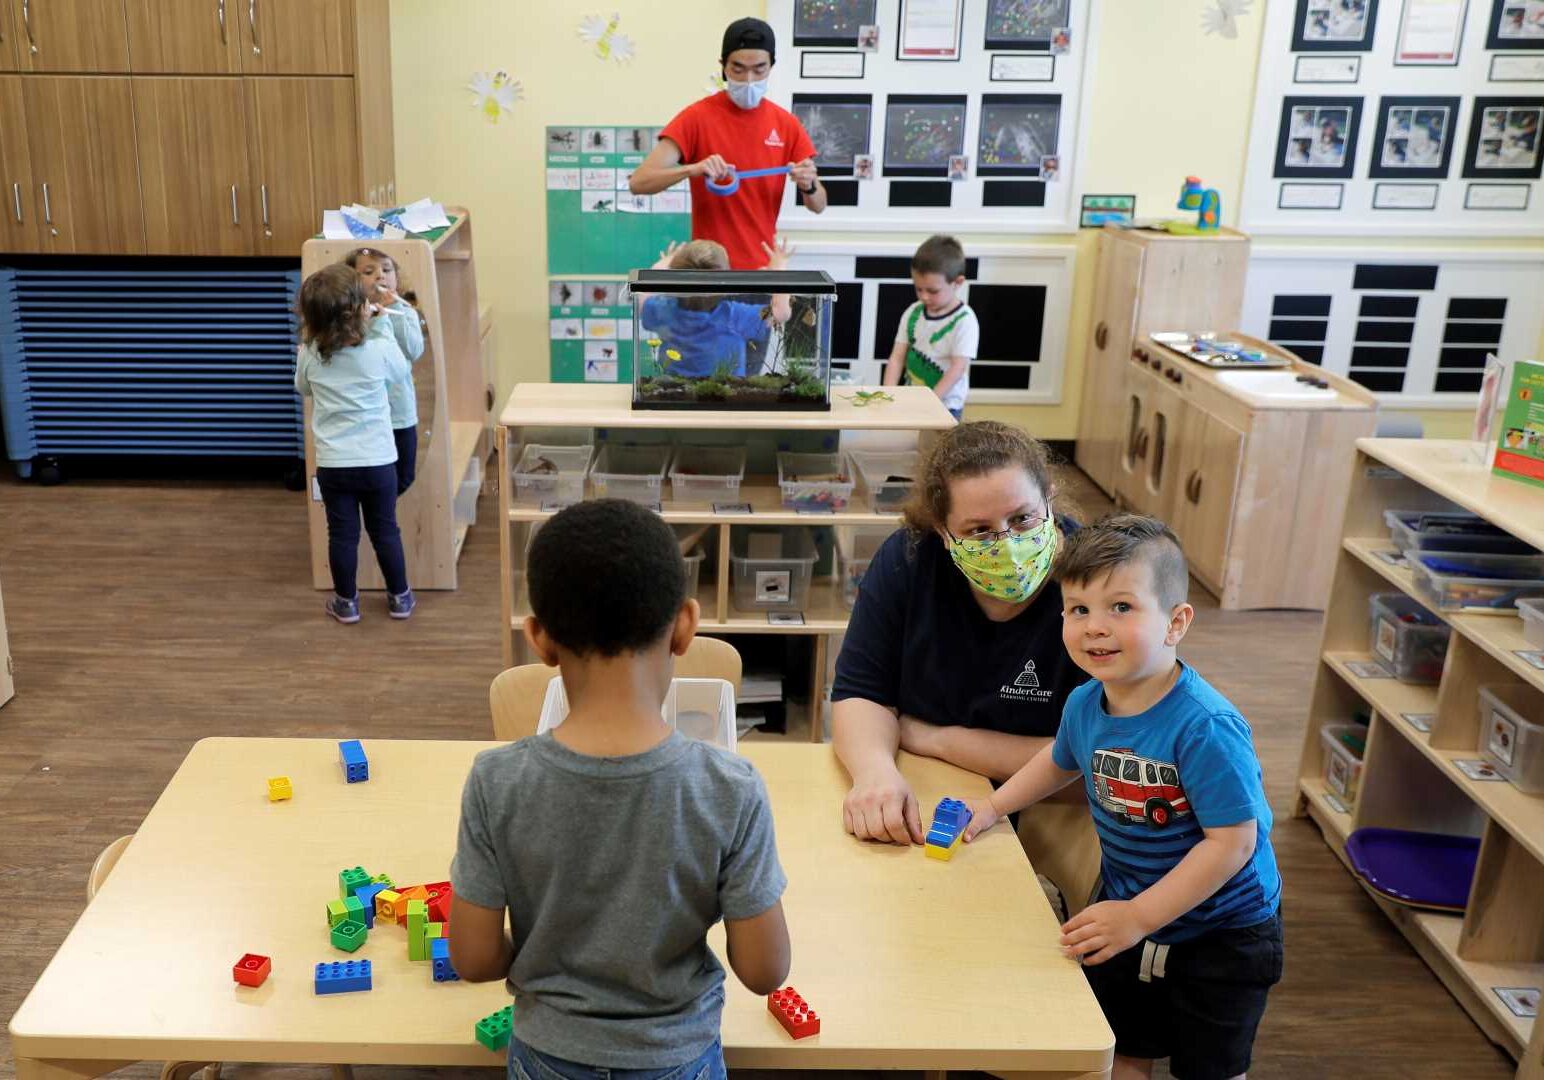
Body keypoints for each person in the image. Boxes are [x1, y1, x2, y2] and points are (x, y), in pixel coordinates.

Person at [448, 499, 791, 1080]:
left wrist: (536, 958)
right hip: (676, 1057)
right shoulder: (730, 788)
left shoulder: (495, 780)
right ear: (684, 626)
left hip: (547, 1056)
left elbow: (474, 957)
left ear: (539, 638)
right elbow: (764, 971)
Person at [962, 514, 1283, 1080]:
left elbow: (1232, 844)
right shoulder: (1085, 703)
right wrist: (993, 806)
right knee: (1121, 1047)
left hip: (1222, 934)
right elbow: (1057, 762)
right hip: (1126, 909)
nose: (1095, 628)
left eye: (1121, 607)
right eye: (1078, 610)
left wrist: (1140, 916)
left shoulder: (1205, 727)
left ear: (1175, 622)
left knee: (1209, 1067)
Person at [832, 421, 1088, 845]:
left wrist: (939, 739)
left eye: (1023, 518)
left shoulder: (1098, 581)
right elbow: (861, 693)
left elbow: (1102, 763)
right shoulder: (908, 559)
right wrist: (875, 772)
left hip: (1051, 821)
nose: (1008, 544)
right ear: (942, 531)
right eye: (979, 530)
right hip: (930, 795)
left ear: (1050, 498)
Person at [629, 17, 827, 271]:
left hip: (761, 272)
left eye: (759, 69)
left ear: (771, 66)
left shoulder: (786, 125)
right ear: (723, 66)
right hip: (707, 270)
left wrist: (809, 185)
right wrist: (692, 169)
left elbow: (819, 205)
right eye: (738, 69)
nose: (748, 79)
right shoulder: (696, 118)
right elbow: (638, 183)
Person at [293, 264, 415, 622]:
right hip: (379, 463)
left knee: (342, 535)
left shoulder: (311, 354)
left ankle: (346, 603)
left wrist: (305, 352)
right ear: (361, 311)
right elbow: (401, 371)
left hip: (334, 465)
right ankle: (400, 598)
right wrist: (383, 327)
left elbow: (303, 388)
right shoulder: (378, 350)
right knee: (385, 531)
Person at [640, 237, 792, 378]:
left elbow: (642, 296)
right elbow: (781, 312)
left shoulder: (664, 311)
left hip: (673, 394)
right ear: (724, 286)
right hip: (725, 396)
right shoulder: (735, 316)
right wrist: (779, 269)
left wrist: (666, 262)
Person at [345, 248, 426, 495]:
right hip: (366, 415)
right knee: (375, 479)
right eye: (369, 271)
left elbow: (414, 350)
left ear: (396, 278)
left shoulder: (407, 312)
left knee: (404, 477)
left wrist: (396, 313)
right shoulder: (351, 316)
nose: (380, 276)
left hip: (400, 413)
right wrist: (370, 319)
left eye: (387, 270)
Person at [882, 235, 978, 420]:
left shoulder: (965, 321)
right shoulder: (913, 312)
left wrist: (929, 403)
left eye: (933, 291)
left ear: (957, 282)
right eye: (919, 289)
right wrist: (888, 395)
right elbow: (897, 357)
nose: (924, 297)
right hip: (911, 402)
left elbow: (957, 369)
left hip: (946, 406)